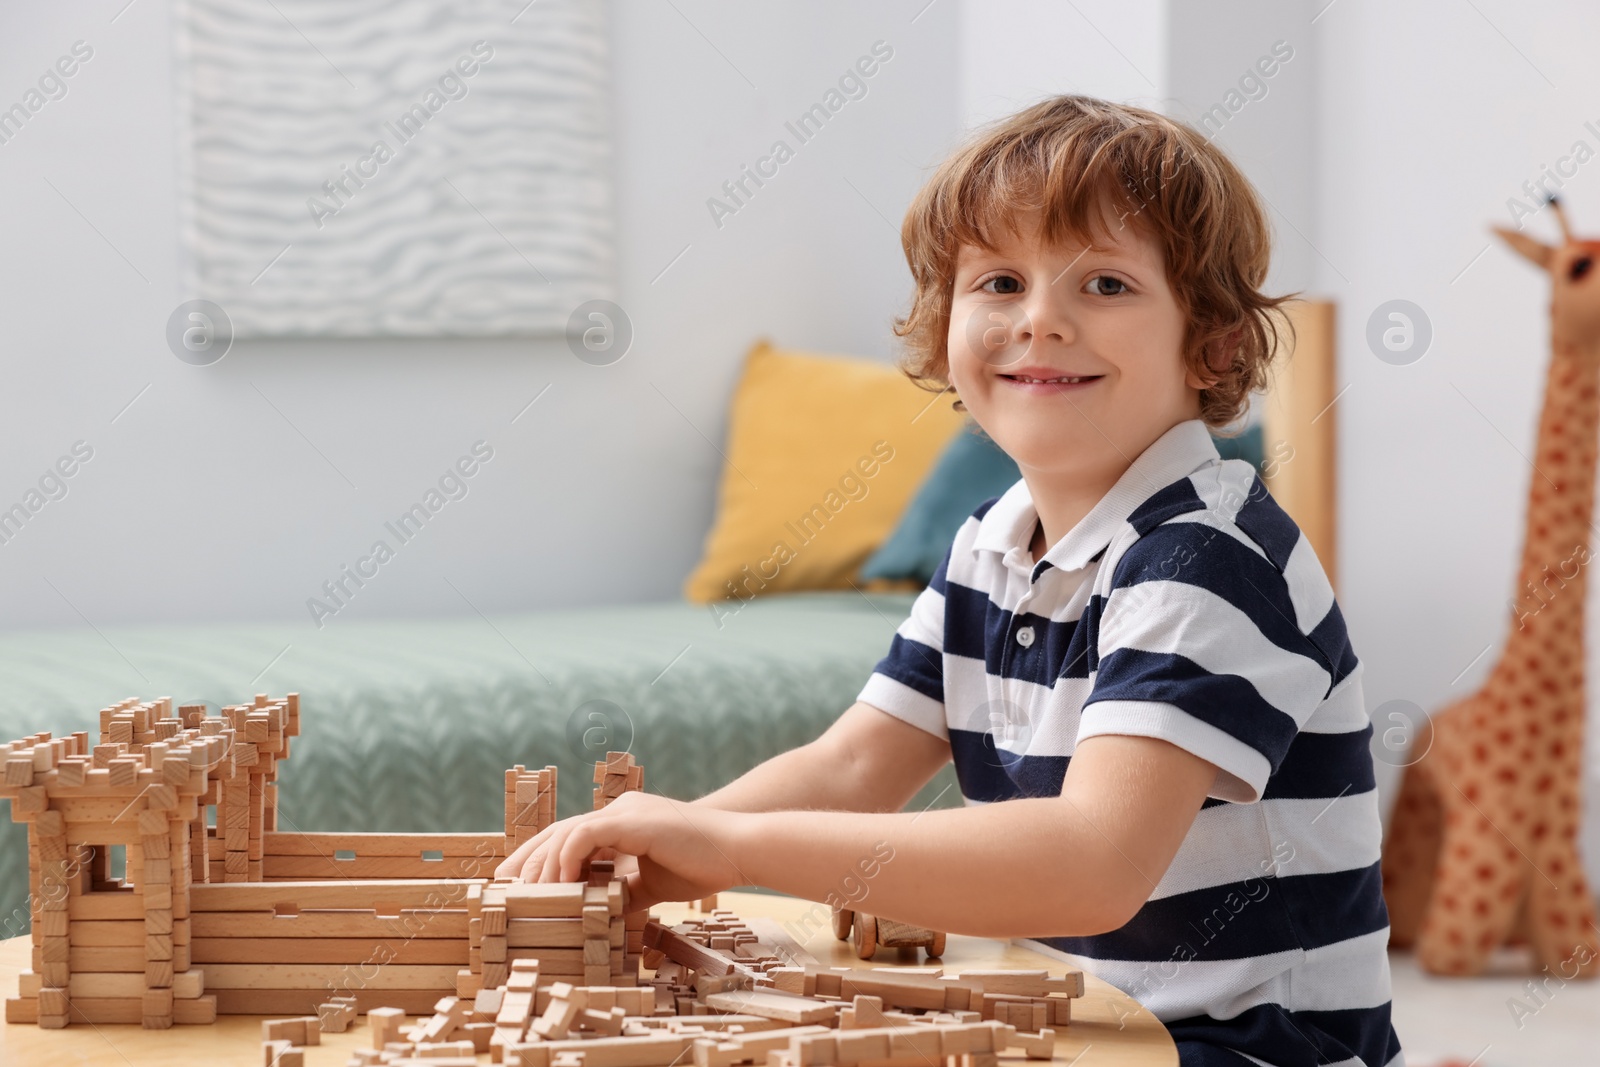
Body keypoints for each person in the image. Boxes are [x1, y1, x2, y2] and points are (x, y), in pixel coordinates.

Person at [496, 94, 1403, 1067]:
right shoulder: (987, 543)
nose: (1041, 319)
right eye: (1001, 281)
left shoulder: (1203, 555)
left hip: (1249, 1045)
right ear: (942, 329)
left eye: (1103, 283)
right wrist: (667, 843)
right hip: (1084, 1017)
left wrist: (733, 847)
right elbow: (851, 769)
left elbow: (1096, 863)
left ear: (1213, 343)